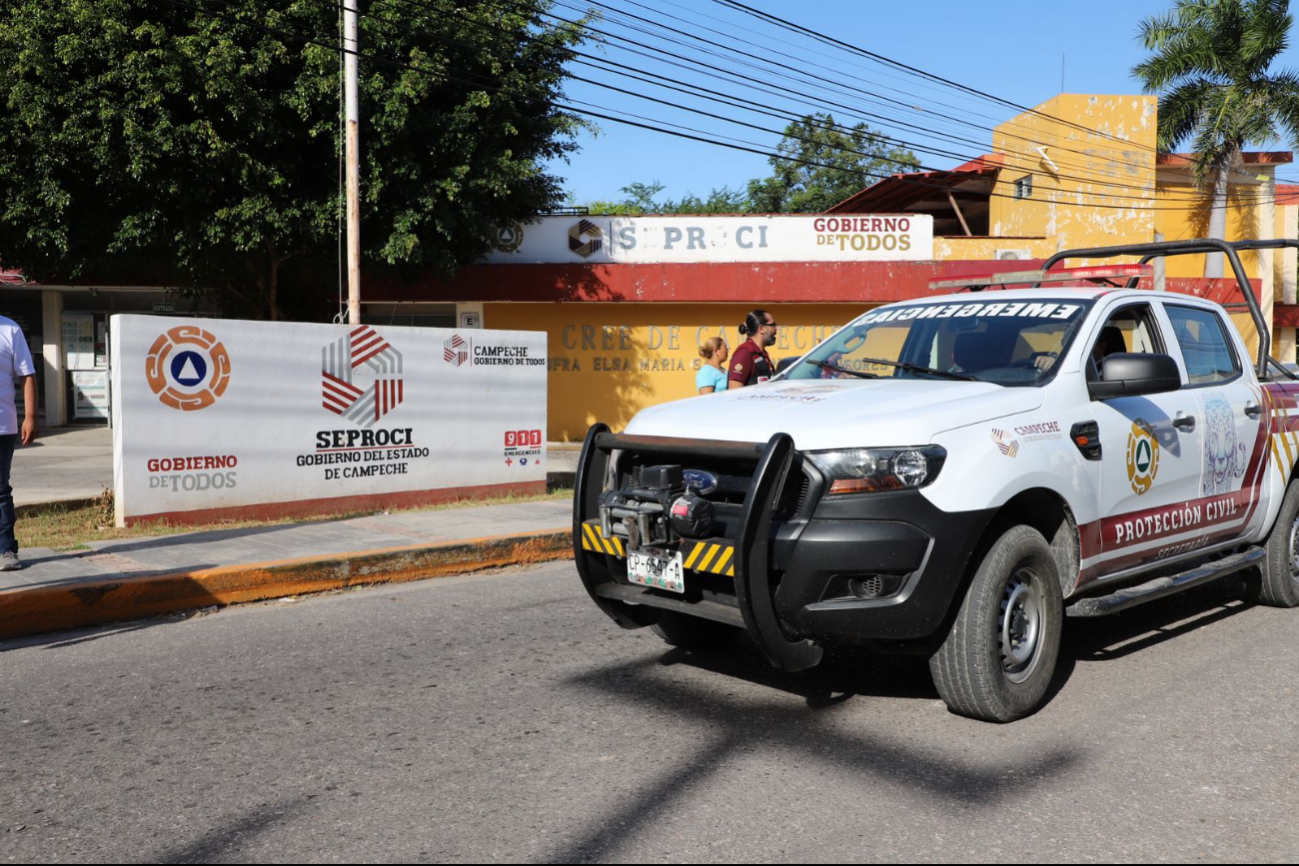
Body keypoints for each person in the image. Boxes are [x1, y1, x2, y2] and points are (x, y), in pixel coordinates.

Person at [0, 315, 37, 571]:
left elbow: (27, 375)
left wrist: (31, 417)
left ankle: (5, 550)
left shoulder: (10, 329)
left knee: (0, 490)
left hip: (3, 427)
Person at [729, 309, 778, 387]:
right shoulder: (744, 353)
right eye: (773, 325)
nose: (776, 329)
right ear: (761, 329)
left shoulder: (761, 354)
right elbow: (734, 391)